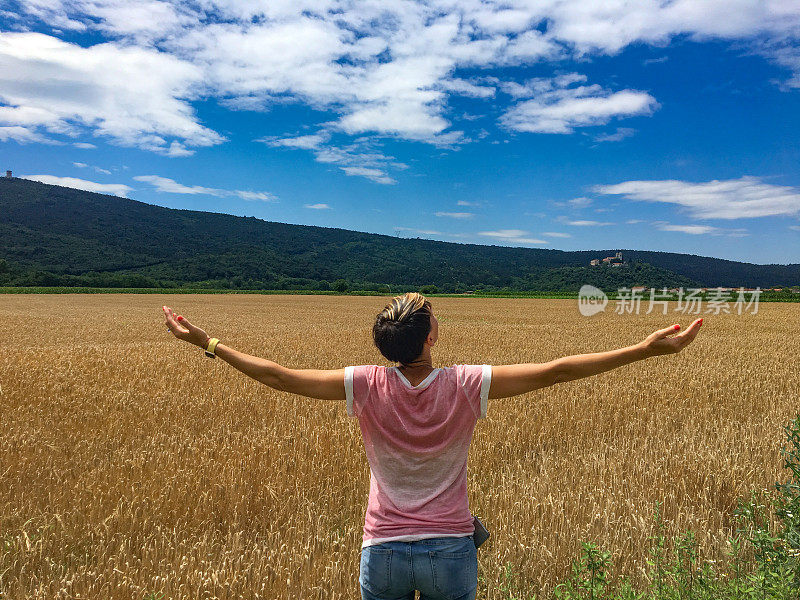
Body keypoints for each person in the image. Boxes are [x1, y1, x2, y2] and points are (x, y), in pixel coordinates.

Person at [162, 294, 703, 600]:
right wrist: (644, 350)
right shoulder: (467, 383)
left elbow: (279, 377)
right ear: (428, 338)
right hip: (449, 547)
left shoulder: (365, 384)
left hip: (384, 550)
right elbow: (557, 372)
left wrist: (206, 342)